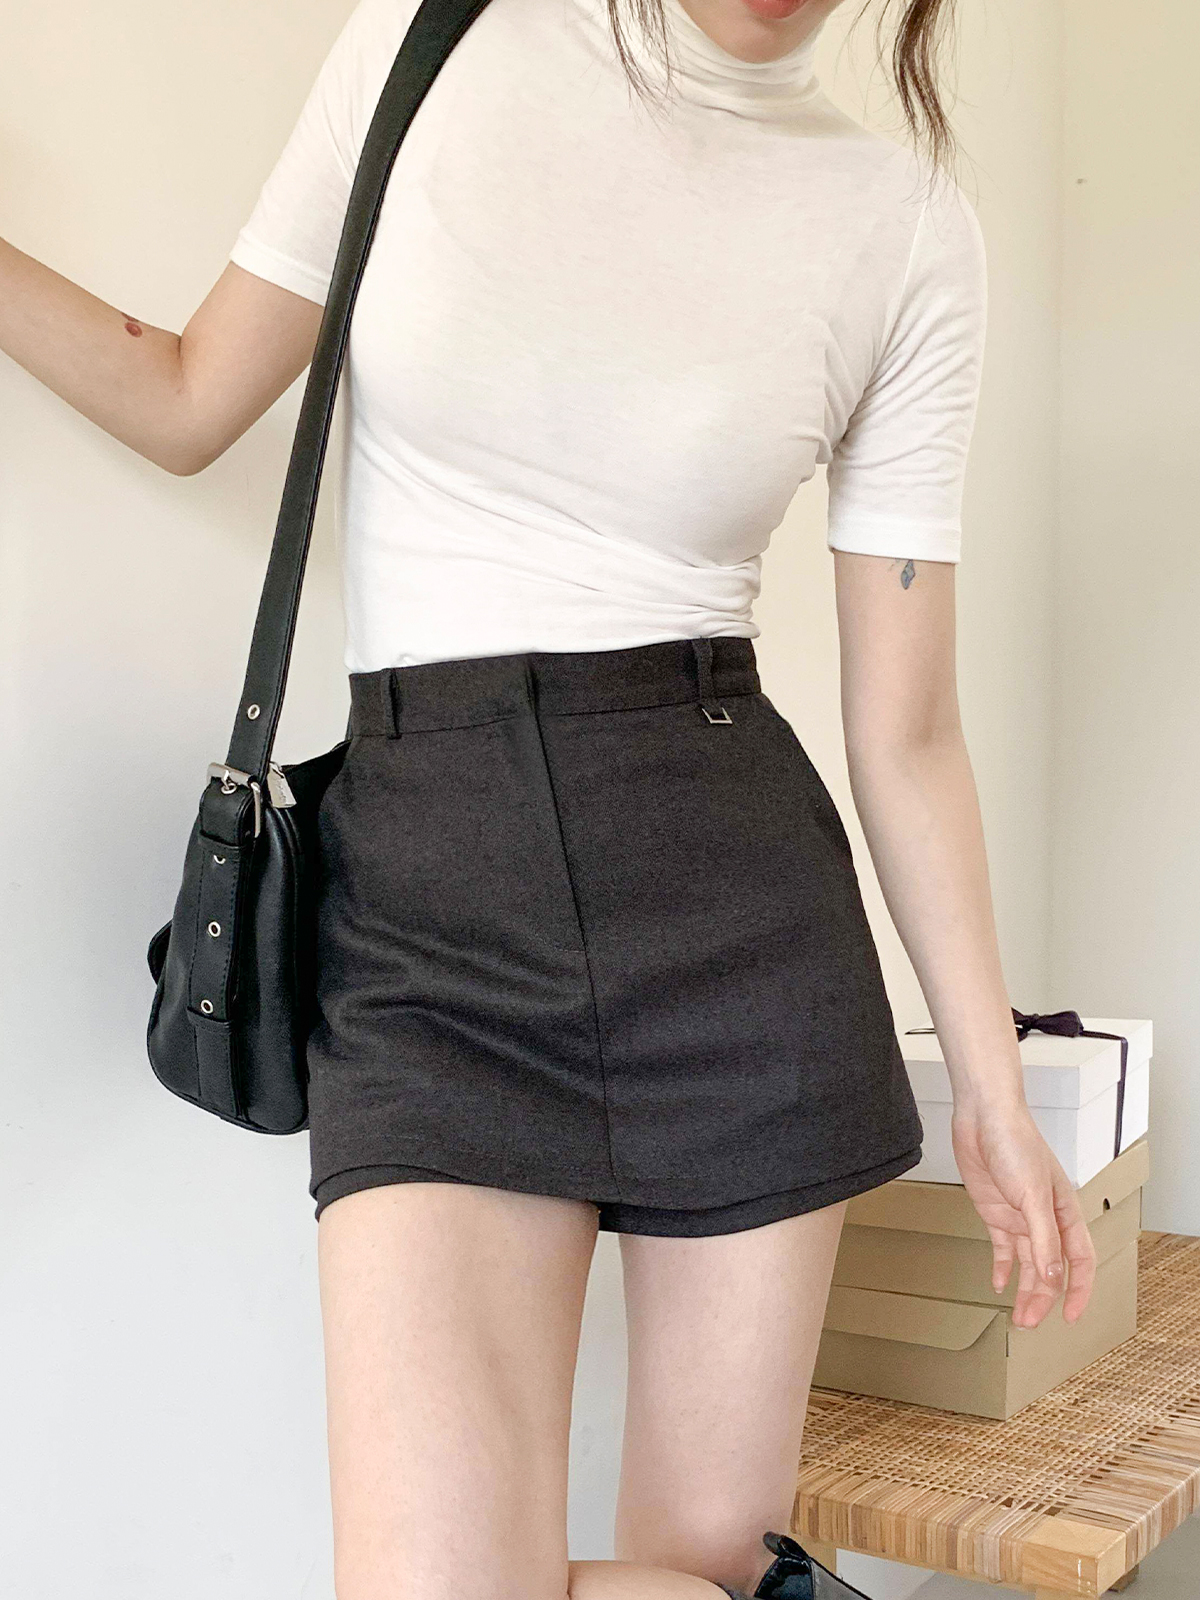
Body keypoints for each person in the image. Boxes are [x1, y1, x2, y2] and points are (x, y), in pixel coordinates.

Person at [0, 0, 1098, 1594]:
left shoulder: (907, 227)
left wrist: (993, 1087)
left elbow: (909, 727)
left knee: (712, 1559)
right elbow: (183, 397)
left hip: (737, 927)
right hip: (427, 914)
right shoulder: (434, 49)